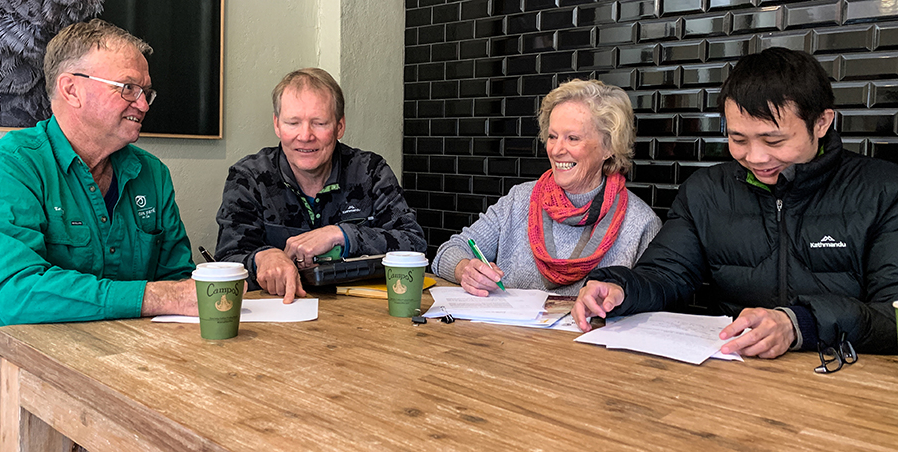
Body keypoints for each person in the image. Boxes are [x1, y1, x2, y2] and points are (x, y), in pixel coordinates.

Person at [573, 47, 898, 357]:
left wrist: (801, 324)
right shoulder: (707, 191)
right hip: (730, 370)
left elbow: (893, 315)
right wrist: (620, 289)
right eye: (738, 139)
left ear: (822, 123)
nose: (756, 157)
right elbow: (665, 275)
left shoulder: (882, 190)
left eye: (774, 140)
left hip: (845, 382)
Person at [0, 19, 198, 326]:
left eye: (146, 91)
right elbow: (13, 293)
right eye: (128, 88)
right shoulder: (13, 165)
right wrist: (156, 297)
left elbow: (179, 284)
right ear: (72, 89)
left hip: (140, 359)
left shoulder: (153, 174)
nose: (143, 105)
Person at [432, 79, 661, 297]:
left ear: (609, 147)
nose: (556, 149)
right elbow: (447, 252)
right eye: (552, 136)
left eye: (572, 138)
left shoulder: (641, 223)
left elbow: (655, 298)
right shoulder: (519, 200)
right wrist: (465, 270)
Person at [215, 68, 426, 303]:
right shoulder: (249, 177)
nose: (305, 136)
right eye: (293, 123)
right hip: (277, 318)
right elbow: (226, 261)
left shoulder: (370, 171)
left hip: (361, 317)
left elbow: (414, 245)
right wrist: (262, 257)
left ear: (339, 127)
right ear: (277, 125)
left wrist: (342, 235)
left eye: (319, 123)